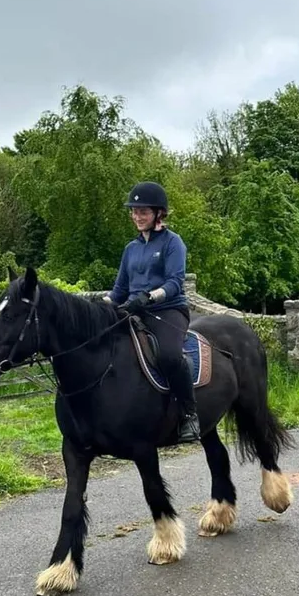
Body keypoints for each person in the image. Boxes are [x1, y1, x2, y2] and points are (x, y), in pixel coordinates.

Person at [104, 181, 201, 443]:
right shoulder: (131, 249)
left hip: (167, 310)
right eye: (134, 212)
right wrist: (102, 306)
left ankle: (189, 414)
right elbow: (119, 290)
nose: (137, 216)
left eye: (143, 212)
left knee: (169, 355)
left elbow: (174, 282)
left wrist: (148, 297)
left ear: (158, 213)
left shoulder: (173, 243)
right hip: (133, 310)